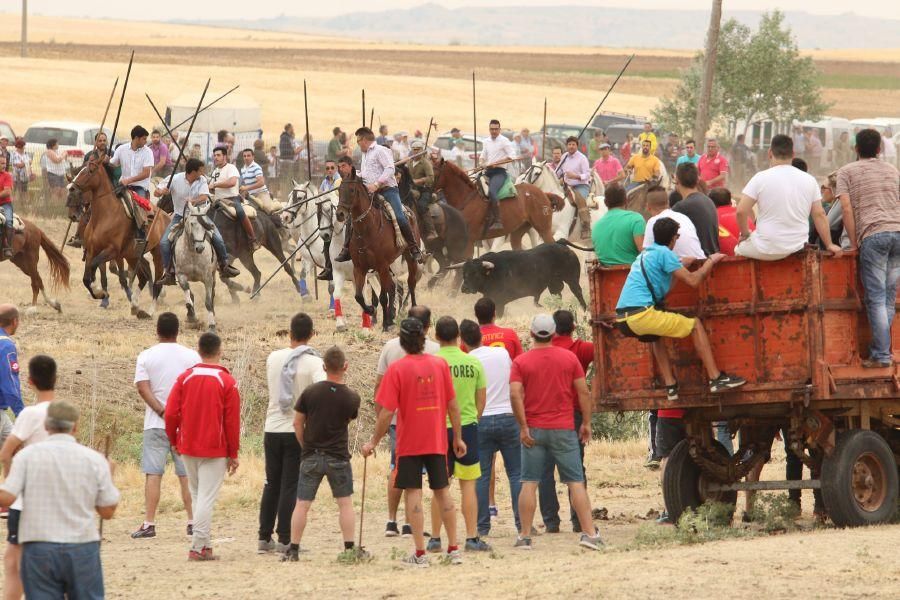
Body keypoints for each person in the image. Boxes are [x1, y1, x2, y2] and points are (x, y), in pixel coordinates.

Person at [362, 318, 465, 568]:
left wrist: (374, 441)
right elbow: (453, 405)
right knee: (443, 492)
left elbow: (386, 412)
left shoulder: (397, 370)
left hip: (409, 443)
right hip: (437, 439)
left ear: (402, 341)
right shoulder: (440, 364)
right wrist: (458, 438)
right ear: (423, 339)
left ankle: (420, 554)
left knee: (414, 493)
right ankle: (453, 549)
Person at [616, 217, 746, 399]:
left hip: (624, 319)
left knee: (655, 335)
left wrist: (680, 267)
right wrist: (711, 261)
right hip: (641, 315)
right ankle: (716, 379)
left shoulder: (645, 255)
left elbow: (663, 288)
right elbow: (693, 281)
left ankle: (671, 386)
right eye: (677, 236)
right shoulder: (664, 253)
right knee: (695, 325)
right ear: (673, 239)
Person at [0, 400, 119, 599]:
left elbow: (7, 498)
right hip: (82, 547)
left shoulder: (26, 457)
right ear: (76, 427)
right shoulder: (95, 460)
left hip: (39, 547)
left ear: (46, 427)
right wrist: (110, 474)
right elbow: (107, 511)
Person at [510, 314, 603, 551]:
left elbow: (514, 394)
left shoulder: (521, 362)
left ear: (531, 334)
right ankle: (590, 534)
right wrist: (587, 422)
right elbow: (583, 392)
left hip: (534, 430)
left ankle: (524, 536)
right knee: (575, 482)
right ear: (553, 334)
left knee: (530, 482)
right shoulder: (569, 358)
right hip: (563, 428)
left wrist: (522, 426)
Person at [281, 346, 362, 561]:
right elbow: (348, 420)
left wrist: (305, 445)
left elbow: (297, 422)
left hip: (312, 455)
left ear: (324, 367)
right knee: (345, 503)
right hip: (338, 456)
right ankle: (349, 548)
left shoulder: (310, 392)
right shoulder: (352, 397)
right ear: (345, 366)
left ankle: (294, 549)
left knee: (302, 504)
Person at [165, 332, 241, 561]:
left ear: (198, 350)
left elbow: (170, 413)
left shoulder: (185, 378)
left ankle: (205, 545)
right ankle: (198, 546)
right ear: (220, 351)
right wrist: (233, 452)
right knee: (206, 498)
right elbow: (232, 421)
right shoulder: (226, 381)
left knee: (198, 495)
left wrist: (173, 439)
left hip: (188, 445)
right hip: (214, 448)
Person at [259, 313, 325, 554]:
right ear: (312, 335)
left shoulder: (273, 357)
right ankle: (286, 538)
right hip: (296, 428)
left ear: (289, 333)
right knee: (290, 484)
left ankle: (264, 537)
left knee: (271, 484)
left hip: (271, 426)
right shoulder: (314, 362)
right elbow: (321, 392)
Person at [131, 313, 199, 540]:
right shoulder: (191, 356)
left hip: (155, 423)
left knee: (153, 473)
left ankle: (149, 523)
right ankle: (192, 521)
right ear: (178, 331)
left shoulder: (146, 356)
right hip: (184, 423)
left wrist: (161, 411)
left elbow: (142, 388)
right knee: (186, 474)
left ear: (157, 331)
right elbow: (195, 388)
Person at [836, 128, 900, 368]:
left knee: (875, 297)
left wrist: (854, 242)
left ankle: (882, 355)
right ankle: (882, 350)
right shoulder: (893, 170)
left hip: (874, 235)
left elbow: (846, 208)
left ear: (855, 149)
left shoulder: (846, 172)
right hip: (898, 234)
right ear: (879, 149)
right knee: (888, 297)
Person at [374, 305, 439, 538]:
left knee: (396, 468)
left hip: (395, 420)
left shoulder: (390, 347)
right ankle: (411, 523)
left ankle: (391, 521)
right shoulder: (436, 349)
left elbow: (379, 386)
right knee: (421, 474)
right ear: (428, 326)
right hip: (427, 419)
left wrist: (380, 416)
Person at [428, 317, 488, 553]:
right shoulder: (472, 363)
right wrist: (471, 420)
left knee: (439, 486)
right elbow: (481, 401)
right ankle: (472, 537)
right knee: (469, 486)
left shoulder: (431, 363)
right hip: (468, 427)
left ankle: (434, 538)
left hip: (438, 429)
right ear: (459, 337)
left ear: (437, 337)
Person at [0, 355, 56, 600]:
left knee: (14, 564)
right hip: (58, 499)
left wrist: (10, 487)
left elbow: (6, 452)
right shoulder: (65, 413)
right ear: (57, 378)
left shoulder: (29, 415)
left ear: (30, 381)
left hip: (28, 503)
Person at [735, 134, 841, 260]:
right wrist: (829, 244)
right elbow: (819, 214)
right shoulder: (810, 180)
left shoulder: (760, 178)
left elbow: (741, 211)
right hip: (797, 247)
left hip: (765, 248)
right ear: (793, 154)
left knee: (738, 249)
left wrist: (746, 234)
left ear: (770, 153)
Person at [460, 319, 521, 538]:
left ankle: (482, 526)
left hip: (482, 419)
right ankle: (522, 524)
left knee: (482, 475)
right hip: (507, 416)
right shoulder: (502, 354)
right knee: (516, 473)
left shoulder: (467, 360)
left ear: (463, 341)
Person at [538, 309, 594, 533]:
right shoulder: (581, 348)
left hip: (544, 416)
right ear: (572, 327)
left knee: (544, 471)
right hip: (573, 416)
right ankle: (579, 521)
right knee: (575, 470)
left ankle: (551, 522)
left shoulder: (541, 353)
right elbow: (606, 348)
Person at [337, 127, 422, 263]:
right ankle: (347, 249)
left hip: (388, 190)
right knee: (353, 216)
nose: (358, 144)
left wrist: (377, 184)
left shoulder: (381, 150)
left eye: (358, 141)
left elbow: (390, 168)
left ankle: (413, 247)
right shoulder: (365, 155)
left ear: (364, 140)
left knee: (399, 216)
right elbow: (365, 174)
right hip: (370, 192)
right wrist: (353, 176)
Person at [154, 157, 239, 285]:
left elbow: (204, 196)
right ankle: (169, 272)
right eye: (200, 171)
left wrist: (192, 202)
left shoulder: (202, 180)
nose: (203, 173)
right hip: (179, 216)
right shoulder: (175, 179)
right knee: (164, 243)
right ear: (192, 172)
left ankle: (224, 265)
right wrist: (161, 191)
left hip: (199, 214)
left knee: (218, 238)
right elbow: (156, 193)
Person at [209, 145, 258, 249]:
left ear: (225, 156)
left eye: (218, 155)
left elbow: (232, 182)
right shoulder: (215, 171)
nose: (215, 157)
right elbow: (212, 188)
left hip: (232, 199)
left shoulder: (231, 168)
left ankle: (253, 238)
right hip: (218, 200)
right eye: (214, 155)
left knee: (240, 211)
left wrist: (215, 185)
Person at [643, 187, 705, 261]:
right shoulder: (684, 217)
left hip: (679, 268)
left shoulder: (653, 222)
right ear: (668, 203)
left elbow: (647, 255)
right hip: (700, 261)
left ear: (648, 207)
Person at [591, 183, 645, 266]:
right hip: (633, 275)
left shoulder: (596, 226)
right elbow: (644, 253)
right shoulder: (636, 219)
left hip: (606, 276)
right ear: (626, 200)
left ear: (605, 202)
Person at [672, 162, 719, 256]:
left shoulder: (681, 207)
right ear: (698, 180)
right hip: (712, 256)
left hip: (698, 262)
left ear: (677, 180)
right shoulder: (708, 201)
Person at [479, 119, 519, 231]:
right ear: (489, 129)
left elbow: (512, 156)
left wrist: (497, 163)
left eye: (496, 129)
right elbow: (483, 155)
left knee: (492, 191)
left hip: (499, 173)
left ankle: (498, 221)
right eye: (492, 129)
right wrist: (482, 162)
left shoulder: (504, 141)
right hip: (487, 172)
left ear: (499, 129)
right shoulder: (486, 141)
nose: (494, 131)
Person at [556, 136, 592, 239]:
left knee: (579, 199)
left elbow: (587, 175)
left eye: (573, 144)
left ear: (577, 146)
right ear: (566, 146)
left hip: (581, 186)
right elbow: (559, 171)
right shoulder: (564, 157)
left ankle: (586, 226)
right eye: (569, 144)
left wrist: (576, 176)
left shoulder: (582, 158)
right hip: (567, 185)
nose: (571, 146)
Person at [315, 159, 343, 281]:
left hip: (339, 214)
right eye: (327, 168)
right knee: (326, 240)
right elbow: (320, 195)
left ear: (336, 169)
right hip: (327, 215)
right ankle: (328, 268)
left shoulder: (340, 181)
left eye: (332, 168)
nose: (330, 170)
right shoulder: (324, 182)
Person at [0, 305, 22, 445]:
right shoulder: (6, 346)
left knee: (16, 448)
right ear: (15, 321)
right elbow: (9, 383)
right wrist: (20, 412)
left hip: (2, 414)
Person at [709, 187, 753, 257]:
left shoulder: (712, 217)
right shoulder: (742, 214)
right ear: (730, 201)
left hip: (733, 259)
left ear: (710, 202)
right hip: (752, 253)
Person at [408, 138, 438, 242]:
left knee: (421, 206)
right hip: (411, 190)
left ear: (422, 150)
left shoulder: (426, 163)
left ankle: (431, 230)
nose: (416, 151)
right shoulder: (409, 162)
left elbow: (431, 178)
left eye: (418, 149)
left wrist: (418, 181)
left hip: (425, 190)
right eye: (414, 149)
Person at [239, 148, 277, 213]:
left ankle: (278, 222)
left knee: (267, 208)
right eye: (244, 156)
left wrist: (246, 188)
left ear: (253, 157)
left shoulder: (256, 167)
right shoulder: (243, 169)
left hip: (261, 193)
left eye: (248, 156)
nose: (246, 158)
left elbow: (261, 183)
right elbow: (245, 183)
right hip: (250, 195)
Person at [40, 138, 68, 205]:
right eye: (57, 143)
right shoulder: (49, 151)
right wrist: (63, 155)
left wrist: (65, 155)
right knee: (56, 191)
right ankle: (54, 206)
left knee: (63, 191)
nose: (58, 145)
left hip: (61, 174)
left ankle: (61, 206)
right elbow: (57, 160)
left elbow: (64, 160)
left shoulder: (57, 151)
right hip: (53, 174)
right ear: (53, 144)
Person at [10, 138, 31, 205]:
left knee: (24, 191)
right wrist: (26, 162)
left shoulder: (26, 154)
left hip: (25, 176)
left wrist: (24, 163)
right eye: (23, 146)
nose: (24, 147)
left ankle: (24, 204)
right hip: (16, 177)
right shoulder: (14, 154)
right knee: (15, 191)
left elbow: (30, 162)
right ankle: (14, 204)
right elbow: (18, 165)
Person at [0, 155, 13, 258]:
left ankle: (7, 247)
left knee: (8, 221)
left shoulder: (7, 176)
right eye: (1, 163)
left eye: (4, 163)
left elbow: (7, 192)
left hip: (5, 204)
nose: (4, 165)